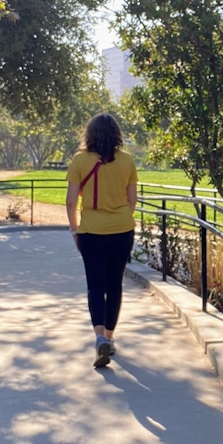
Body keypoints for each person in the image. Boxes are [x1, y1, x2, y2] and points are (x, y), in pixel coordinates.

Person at [66, 113, 139, 368]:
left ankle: (99, 338)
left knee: (95, 285)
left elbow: (72, 201)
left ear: (89, 134)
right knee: (114, 285)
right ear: (117, 134)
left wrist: (75, 230)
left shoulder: (79, 161)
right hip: (122, 230)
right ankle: (110, 336)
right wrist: (120, 220)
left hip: (91, 231)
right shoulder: (127, 161)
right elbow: (132, 200)